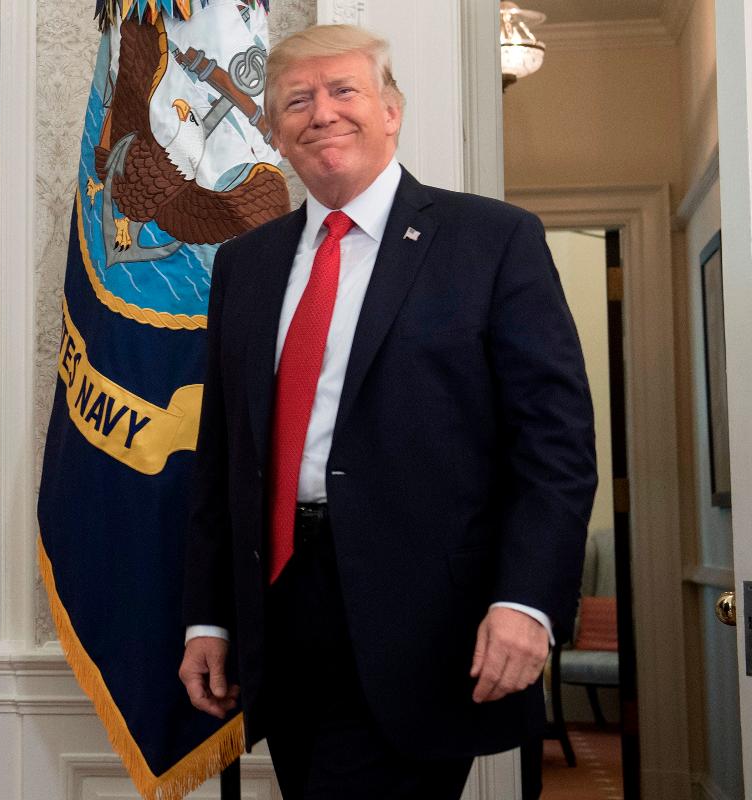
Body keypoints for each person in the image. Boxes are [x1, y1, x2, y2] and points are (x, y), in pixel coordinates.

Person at [178, 24, 596, 799]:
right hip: (278, 616)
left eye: (345, 91)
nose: (322, 112)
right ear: (274, 130)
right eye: (297, 100)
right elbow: (223, 456)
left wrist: (526, 599)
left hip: (425, 627)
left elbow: (556, 447)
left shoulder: (491, 241)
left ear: (392, 110)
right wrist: (210, 618)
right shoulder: (247, 264)